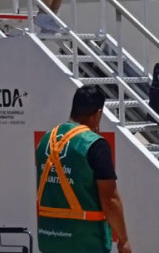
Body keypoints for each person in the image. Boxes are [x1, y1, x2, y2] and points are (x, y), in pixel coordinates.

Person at [35, 85, 131, 253]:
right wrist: (123, 240)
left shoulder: (45, 140)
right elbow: (110, 199)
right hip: (85, 241)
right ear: (98, 114)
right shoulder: (94, 144)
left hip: (49, 239)